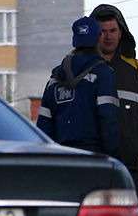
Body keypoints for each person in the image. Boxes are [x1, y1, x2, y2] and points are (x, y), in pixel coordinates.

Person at [90, 4, 138, 211]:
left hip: (127, 167)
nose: (108, 36)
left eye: (112, 30)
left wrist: (134, 147)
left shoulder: (136, 70)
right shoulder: (77, 68)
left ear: (121, 33)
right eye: (102, 31)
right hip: (91, 166)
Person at [36, 16, 121, 156]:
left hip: (62, 158)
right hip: (94, 158)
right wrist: (112, 155)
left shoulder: (55, 78)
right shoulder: (103, 73)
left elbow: (44, 125)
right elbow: (108, 118)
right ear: (98, 38)